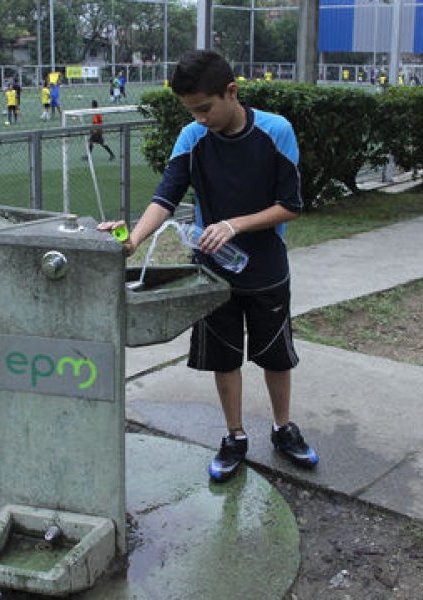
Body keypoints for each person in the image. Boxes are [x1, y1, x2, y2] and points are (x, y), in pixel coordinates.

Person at [97, 50, 318, 482]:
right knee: (224, 356)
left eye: (205, 108)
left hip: (267, 268)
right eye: (191, 111)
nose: (199, 119)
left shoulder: (276, 131)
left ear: (231, 92)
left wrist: (236, 225)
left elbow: (290, 206)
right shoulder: (192, 137)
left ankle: (282, 428)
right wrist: (133, 240)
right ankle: (234, 436)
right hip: (212, 271)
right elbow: (166, 196)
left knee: (276, 356)